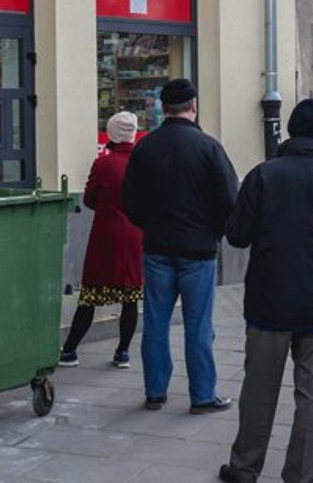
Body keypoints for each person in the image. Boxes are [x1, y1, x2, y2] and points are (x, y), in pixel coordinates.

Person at [218, 99, 313, 483]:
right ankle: (300, 474)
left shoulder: (263, 176)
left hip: (269, 303)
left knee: (258, 392)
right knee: (310, 396)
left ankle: (245, 468)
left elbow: (236, 235)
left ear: (290, 130)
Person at [122, 78, 239, 414]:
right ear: (193, 106)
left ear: (164, 108)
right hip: (198, 251)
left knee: (155, 322)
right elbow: (230, 199)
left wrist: (150, 224)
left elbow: (129, 200)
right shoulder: (208, 147)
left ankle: (155, 392)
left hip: (157, 247)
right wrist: (213, 230)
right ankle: (202, 395)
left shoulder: (145, 147)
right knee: (198, 325)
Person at [59, 111, 144, 369]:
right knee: (130, 297)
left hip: (106, 236)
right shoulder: (143, 163)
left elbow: (88, 199)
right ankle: (122, 353)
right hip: (135, 236)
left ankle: (71, 350)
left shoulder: (104, 163)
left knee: (91, 295)